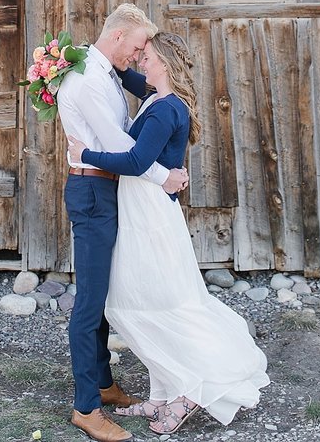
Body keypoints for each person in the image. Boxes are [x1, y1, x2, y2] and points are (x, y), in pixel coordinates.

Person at [68, 31, 269, 436]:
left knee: (159, 297)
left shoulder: (164, 109)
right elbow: (122, 71)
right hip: (144, 205)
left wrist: (83, 154)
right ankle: (161, 394)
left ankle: (198, 385)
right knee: (152, 296)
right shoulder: (157, 97)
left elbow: (138, 159)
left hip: (149, 213)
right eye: (140, 53)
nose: (141, 60)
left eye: (149, 56)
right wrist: (76, 57)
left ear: (166, 65)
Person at [57, 4, 189, 442]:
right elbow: (123, 150)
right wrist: (166, 177)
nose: (137, 57)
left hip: (107, 190)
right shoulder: (90, 79)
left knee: (104, 296)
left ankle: (103, 383)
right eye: (136, 48)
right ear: (117, 38)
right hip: (93, 190)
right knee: (91, 301)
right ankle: (86, 407)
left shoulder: (105, 69)